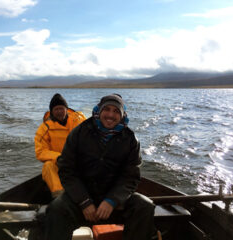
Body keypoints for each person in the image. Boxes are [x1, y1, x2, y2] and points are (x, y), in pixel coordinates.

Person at [44, 94, 156, 240]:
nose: (110, 115)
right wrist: (84, 201)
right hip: (81, 196)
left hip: (114, 200)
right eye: (107, 109)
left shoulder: (130, 139)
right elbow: (66, 170)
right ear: (99, 110)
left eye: (116, 111)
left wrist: (112, 200)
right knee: (56, 209)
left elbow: (130, 177)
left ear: (122, 115)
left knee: (144, 206)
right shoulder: (79, 132)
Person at [35, 93, 86, 198]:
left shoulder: (79, 120)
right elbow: (40, 152)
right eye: (56, 109)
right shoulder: (44, 128)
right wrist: (60, 157)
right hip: (60, 163)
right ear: (52, 112)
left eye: (61, 108)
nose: (59, 112)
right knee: (47, 166)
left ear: (66, 109)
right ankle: (60, 195)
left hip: (80, 162)